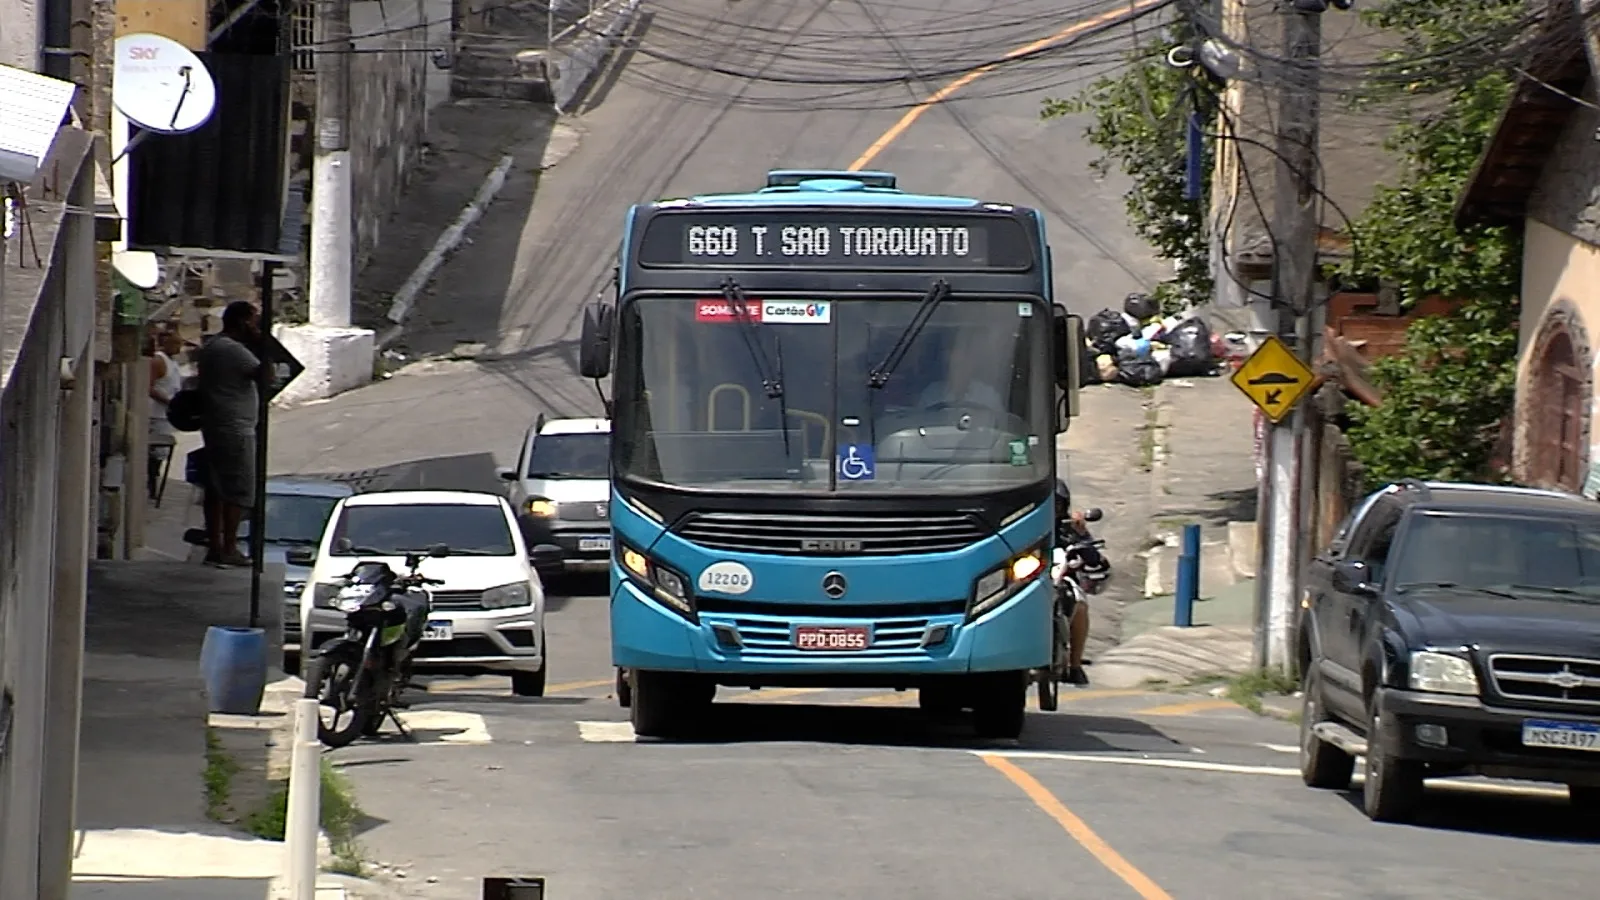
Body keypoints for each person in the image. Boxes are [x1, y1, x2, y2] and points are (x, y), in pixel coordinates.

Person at [195, 301, 265, 567]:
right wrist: (261, 342)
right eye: (253, 321)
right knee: (237, 489)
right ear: (243, 322)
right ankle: (229, 547)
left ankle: (217, 545)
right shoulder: (231, 349)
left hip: (219, 424)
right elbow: (266, 375)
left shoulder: (214, 346)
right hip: (234, 427)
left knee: (217, 487)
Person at [1053, 479, 1099, 687]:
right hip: (1023, 576)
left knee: (1080, 604)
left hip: (1060, 576)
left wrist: (1081, 533)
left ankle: (1075, 664)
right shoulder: (1020, 523)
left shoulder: (1069, 528)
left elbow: (1094, 557)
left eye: (1057, 504)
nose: (1052, 509)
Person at [147, 327, 185, 501]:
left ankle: (154, 482)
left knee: (162, 453)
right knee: (155, 453)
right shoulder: (158, 361)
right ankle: (151, 484)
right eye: (176, 344)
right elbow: (149, 387)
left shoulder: (173, 363)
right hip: (156, 414)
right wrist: (169, 401)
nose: (179, 348)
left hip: (166, 414)